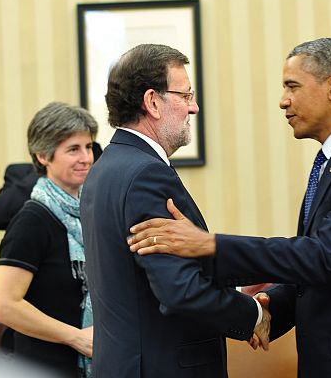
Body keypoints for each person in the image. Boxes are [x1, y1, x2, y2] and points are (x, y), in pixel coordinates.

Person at [128, 38, 331, 377]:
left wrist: (210, 244)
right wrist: (269, 306)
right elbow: (325, 266)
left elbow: (324, 257)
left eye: (292, 87)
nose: (282, 101)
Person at [79, 44, 269, 378]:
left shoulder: (107, 167)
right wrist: (252, 313)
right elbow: (178, 289)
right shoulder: (145, 175)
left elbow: (146, 278)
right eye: (186, 95)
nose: (194, 107)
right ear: (152, 102)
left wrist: (236, 289)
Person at [0, 102, 98, 377]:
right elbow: (3, 306)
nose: (86, 157)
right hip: (45, 367)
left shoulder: (90, 212)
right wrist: (76, 337)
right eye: (73, 149)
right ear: (42, 156)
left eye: (88, 147)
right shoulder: (32, 220)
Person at [0, 143, 102, 230]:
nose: (85, 159)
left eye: (88, 147)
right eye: (73, 149)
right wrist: (47, 172)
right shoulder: (19, 174)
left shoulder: (97, 168)